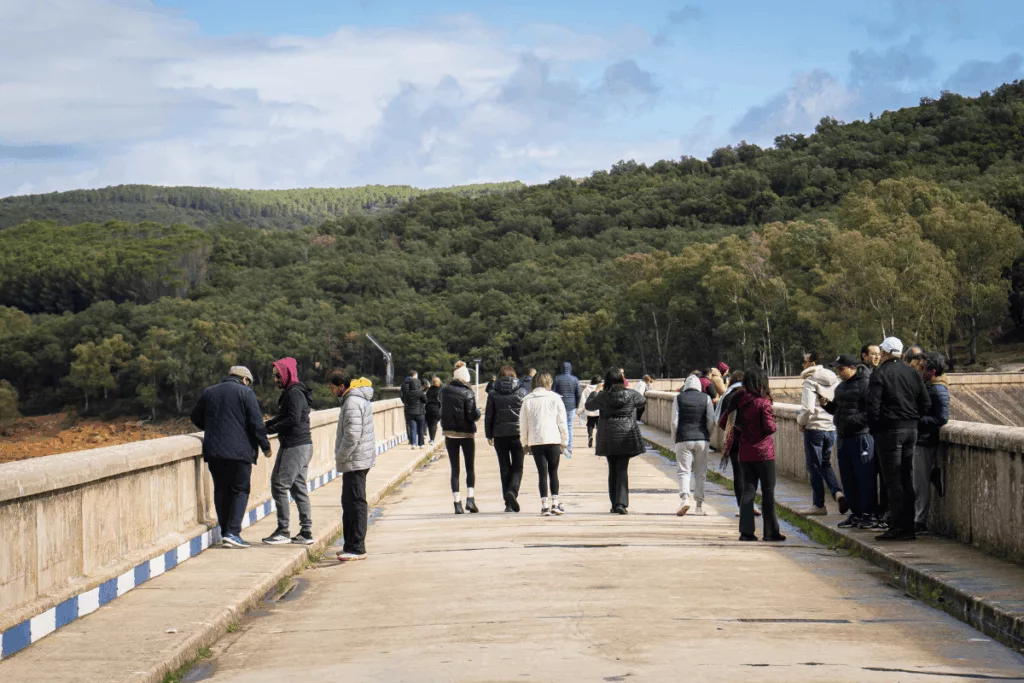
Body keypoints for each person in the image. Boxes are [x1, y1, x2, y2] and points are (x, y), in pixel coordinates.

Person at [190, 366, 271, 549]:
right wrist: (265, 446)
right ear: (244, 380)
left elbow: (195, 417)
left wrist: (212, 427)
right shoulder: (246, 393)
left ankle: (226, 531)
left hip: (215, 451)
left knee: (221, 490)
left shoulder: (209, 392)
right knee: (240, 490)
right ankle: (233, 533)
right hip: (240, 452)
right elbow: (256, 424)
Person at [867, 337, 931, 541]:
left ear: (884, 353)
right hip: (911, 430)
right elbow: (925, 403)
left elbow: (873, 407)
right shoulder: (912, 372)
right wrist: (914, 419)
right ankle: (909, 527)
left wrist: (877, 430)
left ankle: (897, 526)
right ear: (901, 354)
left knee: (893, 480)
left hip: (890, 431)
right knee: (906, 477)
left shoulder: (880, 373)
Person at [262, 358, 315, 546]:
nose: (275, 379)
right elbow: (284, 416)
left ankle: (283, 530)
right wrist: (267, 425)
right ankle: (306, 532)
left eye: (278, 376)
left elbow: (292, 420)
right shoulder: (295, 392)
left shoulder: (294, 393)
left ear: (286, 374)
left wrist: (268, 430)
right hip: (303, 445)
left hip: (294, 445)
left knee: (279, 484)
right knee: (298, 487)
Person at [729, 368, 785, 542]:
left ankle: (746, 532)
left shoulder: (738, 399)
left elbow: (726, 421)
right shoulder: (763, 402)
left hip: (745, 452)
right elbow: (769, 428)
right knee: (768, 492)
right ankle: (770, 532)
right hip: (764, 453)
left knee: (748, 491)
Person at [822, 355, 876, 529]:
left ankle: (869, 514)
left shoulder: (865, 384)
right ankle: (856, 513)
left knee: (864, 476)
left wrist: (853, 420)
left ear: (852, 367)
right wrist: (826, 405)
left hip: (861, 437)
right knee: (848, 477)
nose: (839, 371)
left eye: (841, 368)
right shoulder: (841, 387)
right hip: (844, 437)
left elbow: (871, 411)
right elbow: (837, 410)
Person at [329, 371, 376, 562]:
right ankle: (350, 545)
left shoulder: (351, 403)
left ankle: (357, 548)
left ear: (341, 386)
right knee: (348, 503)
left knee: (355, 503)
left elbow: (351, 436)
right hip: (356, 460)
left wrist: (340, 457)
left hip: (355, 460)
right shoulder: (354, 400)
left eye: (332, 388)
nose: (331, 391)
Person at [586, 367, 646, 514]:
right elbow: (642, 401)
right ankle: (621, 503)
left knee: (612, 468)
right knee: (622, 468)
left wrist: (595, 391)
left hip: (608, 435)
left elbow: (589, 405)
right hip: (626, 434)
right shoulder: (631, 394)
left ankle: (614, 503)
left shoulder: (603, 396)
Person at [797, 351, 848, 516]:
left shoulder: (810, 381)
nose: (802, 365)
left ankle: (819, 505)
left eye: (804, 362)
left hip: (814, 429)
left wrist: (801, 422)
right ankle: (837, 493)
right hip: (831, 428)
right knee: (825, 464)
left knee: (814, 467)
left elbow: (808, 409)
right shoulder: (835, 380)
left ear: (812, 364)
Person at [910, 351, 949, 534]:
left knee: (920, 483)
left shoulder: (939, 389)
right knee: (917, 482)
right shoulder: (930, 386)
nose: (920, 369)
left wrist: (917, 420)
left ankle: (920, 521)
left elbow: (942, 418)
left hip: (926, 441)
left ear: (932, 371)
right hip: (921, 439)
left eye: (923, 367)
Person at [520, 372, 570, 515]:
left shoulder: (527, 400)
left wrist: (524, 443)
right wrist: (564, 442)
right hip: (553, 439)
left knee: (542, 473)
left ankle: (544, 506)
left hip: (536, 441)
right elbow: (562, 421)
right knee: (553, 472)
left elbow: (523, 424)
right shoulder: (555, 398)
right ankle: (555, 503)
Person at [714, 370, 757, 517]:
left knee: (738, 473)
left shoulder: (728, 396)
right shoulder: (753, 395)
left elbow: (722, 421)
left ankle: (742, 506)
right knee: (751, 473)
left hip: (735, 440)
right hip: (752, 440)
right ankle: (751, 504)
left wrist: (730, 432)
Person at [485, 366, 528, 513]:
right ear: (515, 376)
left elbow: (489, 416)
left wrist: (488, 434)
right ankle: (513, 492)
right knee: (518, 467)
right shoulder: (522, 392)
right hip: (518, 435)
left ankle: (508, 503)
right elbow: (527, 415)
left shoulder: (492, 393)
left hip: (499, 435)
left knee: (504, 468)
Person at [671, 375, 715, 517]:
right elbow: (711, 420)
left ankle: (685, 499)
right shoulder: (706, 398)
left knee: (684, 471)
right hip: (702, 439)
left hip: (683, 438)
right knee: (700, 473)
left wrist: (675, 438)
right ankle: (699, 506)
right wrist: (707, 435)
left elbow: (674, 422)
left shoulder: (678, 398)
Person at [441, 362, 482, 514]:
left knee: (455, 469)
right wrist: (478, 413)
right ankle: (470, 500)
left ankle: (457, 503)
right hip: (466, 433)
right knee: (469, 467)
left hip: (449, 433)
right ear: (466, 377)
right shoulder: (468, 392)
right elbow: (471, 415)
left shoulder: (444, 391)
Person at [551, 362, 582, 456]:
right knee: (569, 426)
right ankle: (568, 447)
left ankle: (560, 446)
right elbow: (579, 394)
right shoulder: (575, 379)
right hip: (571, 405)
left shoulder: (557, 379)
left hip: (559, 405)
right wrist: (576, 405)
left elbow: (553, 392)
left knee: (559, 426)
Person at [400, 371, 427, 449]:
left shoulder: (408, 393)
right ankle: (421, 444)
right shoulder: (420, 393)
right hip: (420, 413)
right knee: (421, 429)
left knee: (412, 428)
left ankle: (413, 443)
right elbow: (425, 401)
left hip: (410, 413)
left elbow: (403, 399)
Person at [578, 376, 603, 448]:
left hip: (589, 411)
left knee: (590, 425)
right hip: (599, 412)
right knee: (599, 427)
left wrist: (580, 410)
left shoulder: (587, 389)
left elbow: (583, 400)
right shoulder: (601, 388)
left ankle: (590, 436)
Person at [425, 376, 442, 445]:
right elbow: (441, 401)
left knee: (429, 424)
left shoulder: (429, 390)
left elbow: (426, 400)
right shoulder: (440, 391)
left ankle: (431, 438)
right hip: (436, 409)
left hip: (428, 408)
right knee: (434, 424)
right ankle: (432, 439)